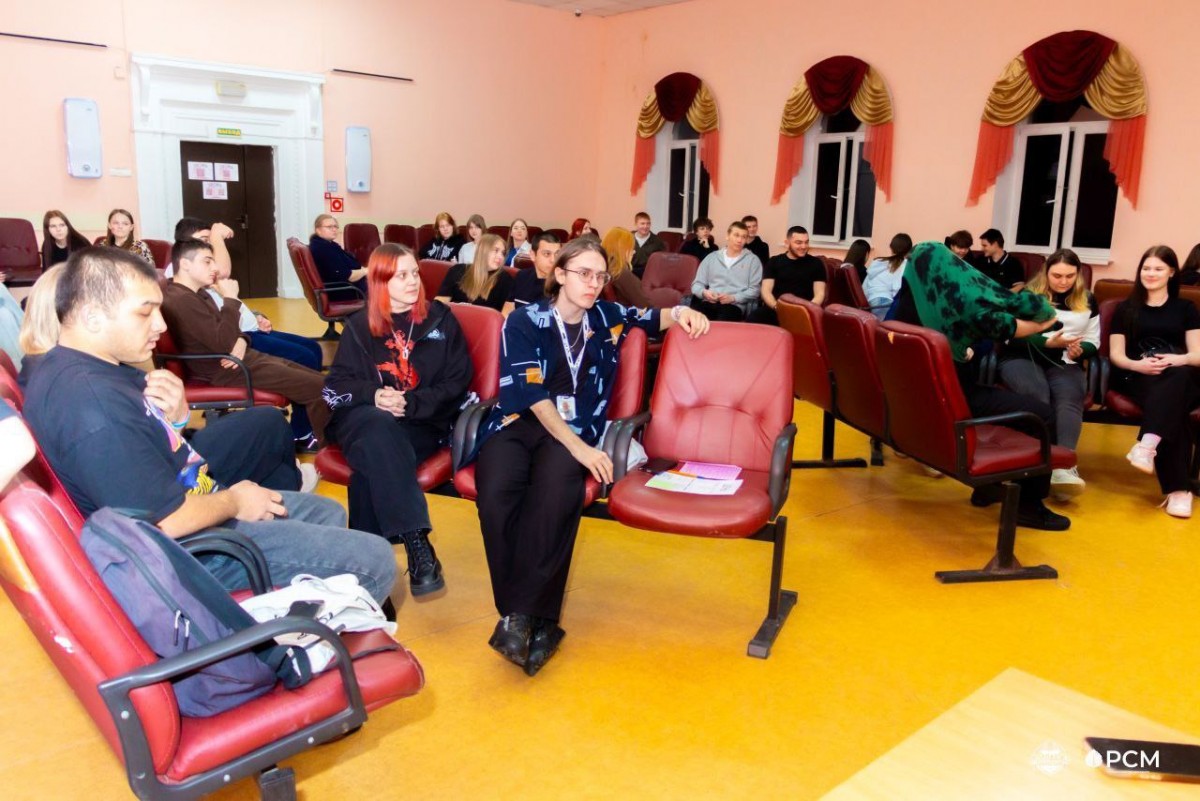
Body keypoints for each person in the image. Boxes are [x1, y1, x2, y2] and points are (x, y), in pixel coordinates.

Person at [21, 247, 395, 601]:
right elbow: (163, 522)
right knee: (375, 560)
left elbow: (140, 455)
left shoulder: (89, 367)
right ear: (92, 318)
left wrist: (176, 421)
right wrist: (234, 501)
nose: (160, 324)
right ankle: (296, 630)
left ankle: (311, 598)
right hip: (192, 555)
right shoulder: (93, 406)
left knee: (327, 512)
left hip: (193, 502)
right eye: (145, 312)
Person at [470, 237, 710, 676]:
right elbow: (532, 395)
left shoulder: (606, 316)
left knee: (553, 497)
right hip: (519, 422)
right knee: (497, 492)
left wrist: (681, 313)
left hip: (576, 427)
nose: (593, 283)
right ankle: (528, 615)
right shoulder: (524, 321)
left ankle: (519, 619)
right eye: (584, 273)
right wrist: (582, 450)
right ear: (560, 275)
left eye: (600, 276)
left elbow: (651, 316)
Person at [18, 263, 316, 493]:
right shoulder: (78, 389)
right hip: (174, 475)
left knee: (268, 422)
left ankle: (284, 490)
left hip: (167, 449)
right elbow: (146, 481)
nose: (158, 325)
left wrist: (174, 423)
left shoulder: (62, 366)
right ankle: (285, 493)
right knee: (271, 430)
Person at [324, 244, 472, 595]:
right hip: (362, 418)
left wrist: (410, 403)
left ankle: (364, 583)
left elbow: (457, 382)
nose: (413, 281)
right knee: (377, 425)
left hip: (419, 422)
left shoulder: (440, 319)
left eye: (415, 273)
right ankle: (416, 538)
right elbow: (334, 387)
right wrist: (374, 395)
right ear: (381, 281)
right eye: (401, 275)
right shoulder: (359, 326)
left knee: (371, 462)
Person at [893, 242, 1070, 531]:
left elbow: (945, 337)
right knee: (1042, 416)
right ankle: (1029, 507)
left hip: (921, 397)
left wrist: (961, 350)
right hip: (955, 399)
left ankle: (988, 487)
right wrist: (1045, 323)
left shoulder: (911, 301)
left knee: (1004, 399)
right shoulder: (967, 304)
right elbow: (1017, 322)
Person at [163, 239, 330, 450]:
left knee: (320, 381)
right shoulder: (182, 300)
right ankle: (328, 449)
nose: (215, 268)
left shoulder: (197, 293)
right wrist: (230, 298)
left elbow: (230, 331)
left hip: (241, 359)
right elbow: (224, 341)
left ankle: (320, 439)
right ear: (185, 264)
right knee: (321, 388)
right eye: (207, 261)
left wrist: (242, 340)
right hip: (227, 370)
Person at [1109, 245, 1200, 518]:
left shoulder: (1186, 308)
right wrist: (1137, 364)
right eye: (1146, 268)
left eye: (1158, 268)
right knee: (1175, 407)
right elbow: (1116, 354)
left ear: (1171, 272)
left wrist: (1177, 360)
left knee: (1177, 379)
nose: (1150, 273)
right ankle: (1180, 491)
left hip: (1181, 373)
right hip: (1139, 374)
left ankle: (1147, 445)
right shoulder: (1125, 308)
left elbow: (1197, 355)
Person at [999, 249, 1098, 499]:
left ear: (1078, 275)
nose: (1063, 282)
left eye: (1070, 276)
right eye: (1057, 276)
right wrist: (1046, 343)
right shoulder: (1027, 296)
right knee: (1037, 395)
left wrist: (1080, 350)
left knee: (1069, 398)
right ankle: (1032, 463)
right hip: (1022, 357)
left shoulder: (1087, 299)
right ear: (1046, 273)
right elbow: (1009, 334)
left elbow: (1093, 340)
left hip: (1065, 360)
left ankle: (1063, 467)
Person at [690, 221, 762, 321]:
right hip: (709, 302)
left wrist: (734, 298)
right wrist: (704, 292)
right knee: (693, 319)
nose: (739, 240)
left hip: (734, 306)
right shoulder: (711, 257)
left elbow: (755, 290)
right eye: (736, 235)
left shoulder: (753, 260)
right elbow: (696, 284)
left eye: (744, 237)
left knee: (721, 323)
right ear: (727, 236)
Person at [754, 225, 826, 324]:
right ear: (787, 243)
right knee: (755, 318)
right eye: (799, 243)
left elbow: (820, 294)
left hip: (804, 311)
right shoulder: (774, 262)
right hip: (776, 308)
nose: (804, 246)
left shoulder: (816, 263)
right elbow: (766, 291)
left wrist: (807, 310)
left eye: (806, 242)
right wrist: (777, 307)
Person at [435, 233, 515, 312]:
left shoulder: (505, 280)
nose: (500, 256)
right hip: (453, 319)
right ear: (482, 251)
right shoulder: (456, 270)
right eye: (496, 250)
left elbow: (505, 316)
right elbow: (438, 306)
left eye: (503, 253)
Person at [309, 214, 368, 301]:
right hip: (344, 291)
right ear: (318, 230)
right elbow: (349, 276)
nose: (334, 229)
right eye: (329, 227)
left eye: (335, 226)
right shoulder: (324, 249)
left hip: (345, 287)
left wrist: (364, 270)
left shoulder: (328, 245)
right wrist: (367, 270)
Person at [504, 232, 561, 315]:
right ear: (533, 255)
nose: (553, 260)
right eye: (547, 254)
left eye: (557, 254)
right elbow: (508, 310)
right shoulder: (521, 276)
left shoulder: (563, 282)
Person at [601, 227, 656, 308]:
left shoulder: (605, 268)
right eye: (631, 248)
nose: (634, 252)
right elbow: (646, 306)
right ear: (622, 249)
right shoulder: (621, 273)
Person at [862, 233, 913, 319]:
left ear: (891, 247)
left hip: (871, 301)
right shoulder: (904, 265)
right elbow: (897, 288)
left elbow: (865, 286)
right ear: (909, 250)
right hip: (885, 303)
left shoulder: (878, 262)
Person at [164, 216, 235, 279]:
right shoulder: (179, 266)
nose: (210, 245)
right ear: (185, 242)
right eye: (205, 240)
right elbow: (223, 272)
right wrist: (217, 236)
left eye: (211, 241)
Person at [630, 212, 665, 278]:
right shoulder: (628, 238)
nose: (645, 226)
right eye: (642, 223)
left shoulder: (657, 242)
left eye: (648, 224)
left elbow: (661, 262)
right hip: (630, 272)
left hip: (648, 274)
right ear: (635, 224)